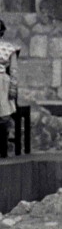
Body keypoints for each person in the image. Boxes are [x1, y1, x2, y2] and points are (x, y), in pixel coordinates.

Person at [0, 18, 19, 150]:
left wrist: (13, 88)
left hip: (2, 83)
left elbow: (14, 71)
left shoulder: (8, 48)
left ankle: (2, 145)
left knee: (4, 115)